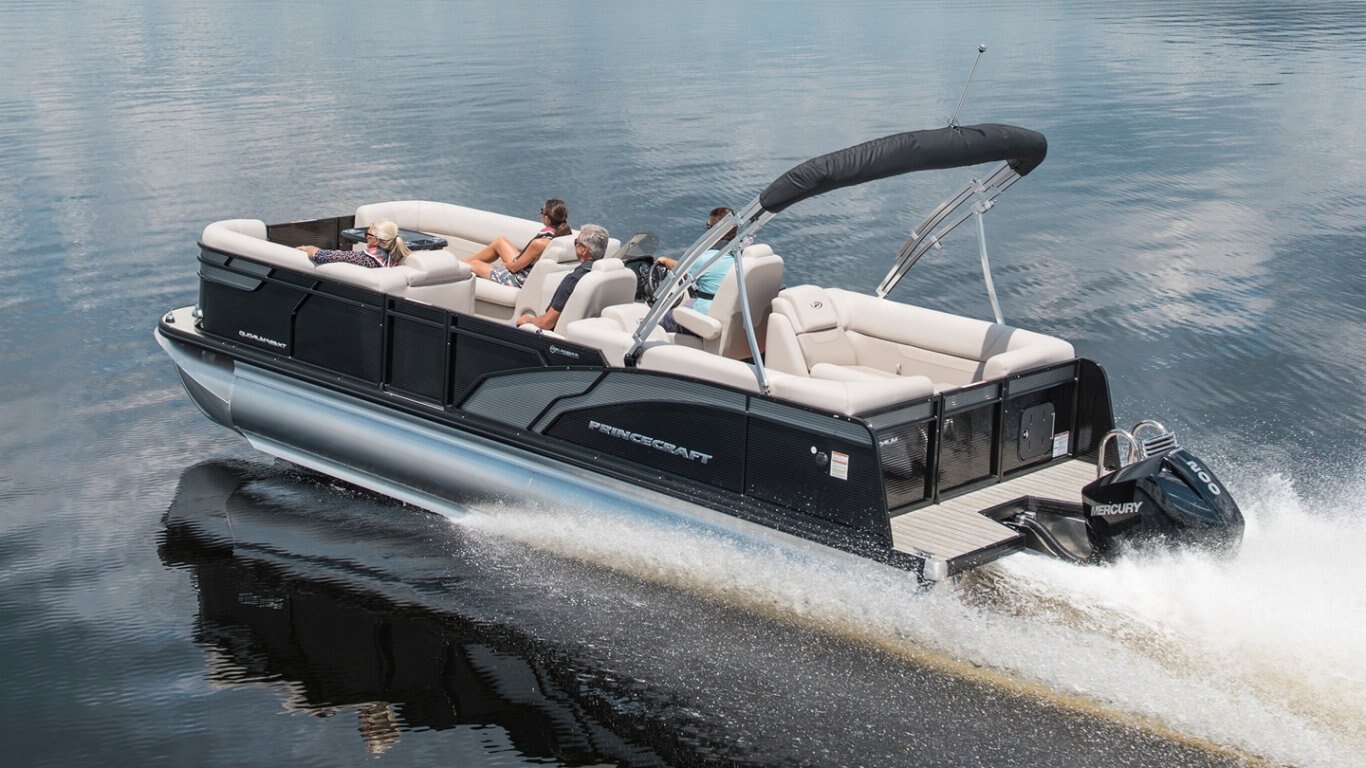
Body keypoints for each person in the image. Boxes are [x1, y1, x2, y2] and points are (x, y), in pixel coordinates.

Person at [516, 224, 609, 331]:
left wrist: (528, 320)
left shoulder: (573, 279)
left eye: (576, 243)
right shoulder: (605, 275)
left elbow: (546, 323)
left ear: (584, 250)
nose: (575, 245)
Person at [659, 207, 736, 334]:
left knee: (664, 318)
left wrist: (664, 260)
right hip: (728, 314)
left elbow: (680, 269)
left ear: (714, 231)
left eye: (708, 227)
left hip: (707, 317)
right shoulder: (741, 257)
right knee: (689, 302)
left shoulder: (708, 259)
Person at [464, 198, 571, 286]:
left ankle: (461, 266)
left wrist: (505, 265)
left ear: (547, 218)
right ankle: (461, 264)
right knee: (500, 241)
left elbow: (514, 268)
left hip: (520, 279)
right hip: (528, 271)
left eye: (541, 211)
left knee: (474, 264)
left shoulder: (539, 243)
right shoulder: (563, 236)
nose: (540, 214)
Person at [296, 219, 411, 268]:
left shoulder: (364, 259)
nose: (365, 237)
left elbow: (320, 256)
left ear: (377, 240)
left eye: (367, 234)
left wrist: (309, 248)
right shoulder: (396, 256)